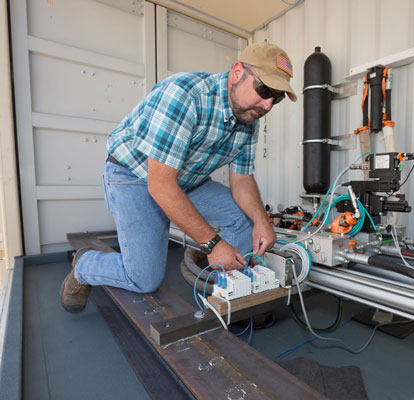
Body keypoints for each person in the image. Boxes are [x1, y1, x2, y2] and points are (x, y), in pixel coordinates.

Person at [60, 42, 297, 313]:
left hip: (187, 179)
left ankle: (232, 299)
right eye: (264, 90)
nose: (267, 104)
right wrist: (212, 244)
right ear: (237, 72)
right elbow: (160, 184)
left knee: (243, 220)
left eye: (275, 98)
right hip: (134, 175)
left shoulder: (249, 119)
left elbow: (242, 180)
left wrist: (262, 222)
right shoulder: (185, 95)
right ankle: (85, 265)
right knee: (144, 278)